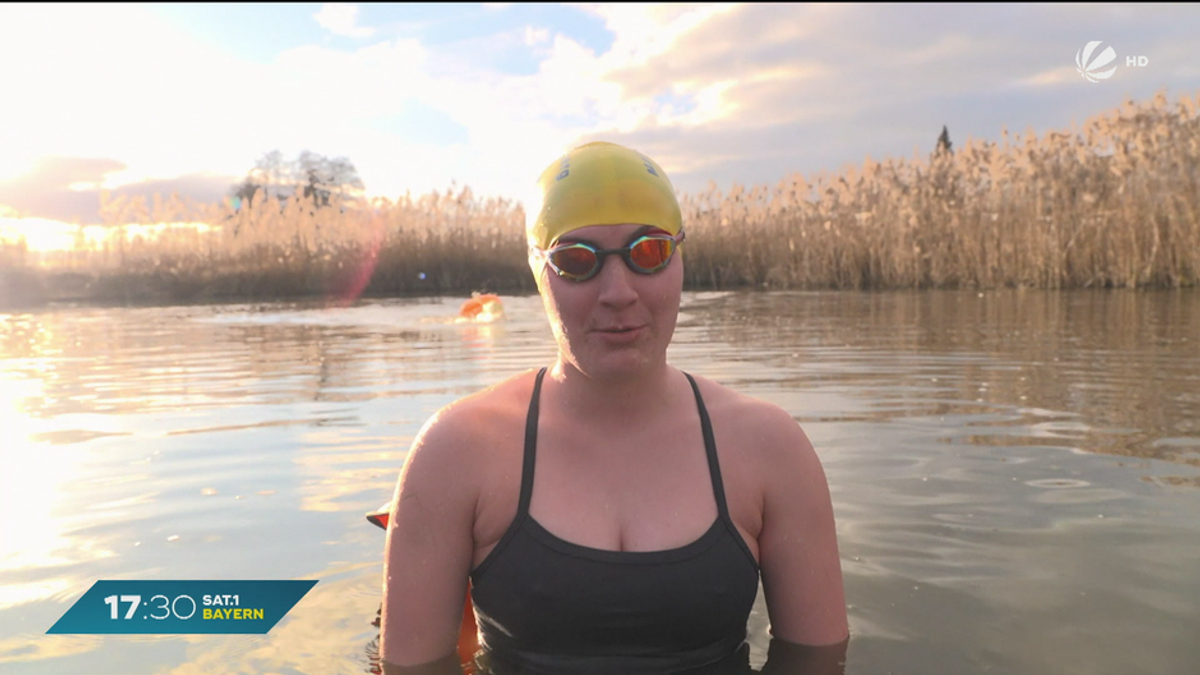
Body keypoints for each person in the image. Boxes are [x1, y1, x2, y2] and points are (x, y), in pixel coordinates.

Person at [380, 141, 849, 675]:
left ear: (679, 260)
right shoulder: (456, 451)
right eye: (576, 261)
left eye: (648, 252)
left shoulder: (770, 447)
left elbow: (817, 661)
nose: (618, 292)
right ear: (540, 274)